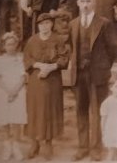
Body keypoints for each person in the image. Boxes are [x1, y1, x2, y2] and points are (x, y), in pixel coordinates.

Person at [68, 0, 117, 161]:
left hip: (97, 74)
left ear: (94, 3)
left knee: (97, 112)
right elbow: (71, 48)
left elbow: (114, 49)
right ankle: (82, 147)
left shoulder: (104, 23)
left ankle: (96, 148)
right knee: (81, 111)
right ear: (77, 3)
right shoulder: (73, 24)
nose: (85, 4)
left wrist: (103, 66)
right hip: (79, 75)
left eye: (88, 1)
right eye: (82, 1)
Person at [24, 12, 68, 160]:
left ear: (52, 24)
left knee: (50, 110)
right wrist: (38, 65)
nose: (45, 26)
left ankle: (48, 143)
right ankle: (34, 143)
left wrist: (51, 67)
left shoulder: (58, 40)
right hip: (36, 81)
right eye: (42, 24)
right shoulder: (32, 41)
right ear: (38, 26)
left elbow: (64, 59)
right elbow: (27, 60)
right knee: (35, 110)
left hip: (52, 80)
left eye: (48, 23)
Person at [0, 32, 27, 160]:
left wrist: (15, 91)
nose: (11, 47)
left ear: (17, 45)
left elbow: (23, 77)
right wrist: (8, 91)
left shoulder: (21, 59)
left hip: (18, 91)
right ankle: (7, 147)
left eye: (13, 44)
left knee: (16, 120)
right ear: (3, 46)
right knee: (4, 120)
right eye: (8, 44)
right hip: (3, 92)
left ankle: (16, 147)